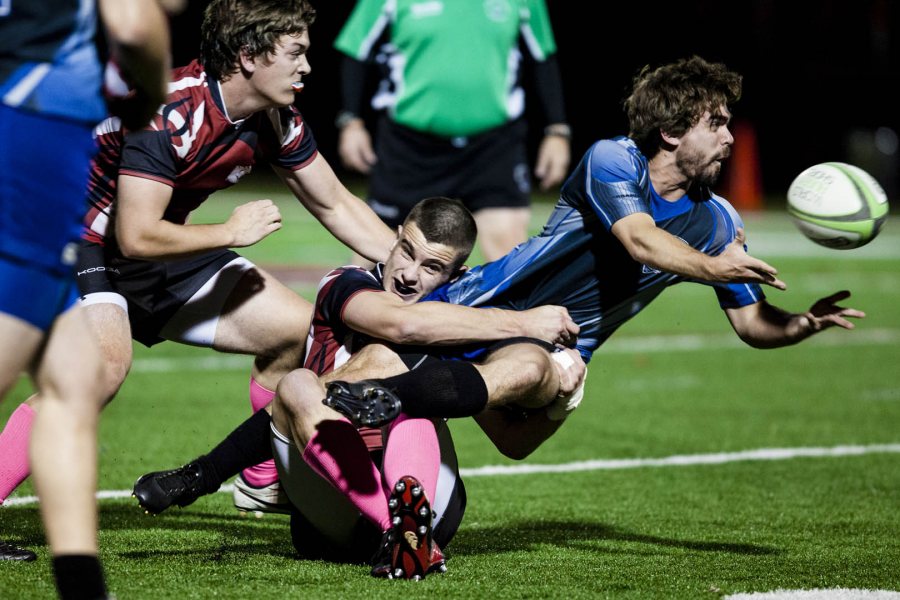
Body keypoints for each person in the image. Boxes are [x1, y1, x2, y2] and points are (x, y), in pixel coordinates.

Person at [324, 55, 864, 442]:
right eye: (716, 124)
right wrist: (710, 268)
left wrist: (800, 325)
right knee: (361, 375)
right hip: (484, 303)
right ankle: (283, 440)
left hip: (563, 346)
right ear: (672, 132)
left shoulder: (719, 221)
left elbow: (752, 325)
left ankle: (399, 406)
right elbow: (638, 238)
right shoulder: (613, 160)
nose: (729, 138)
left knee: (517, 439)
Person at [0, 0, 399, 521]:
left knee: (300, 331)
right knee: (101, 370)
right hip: (76, 238)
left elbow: (335, 203)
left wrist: (407, 264)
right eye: (296, 52)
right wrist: (231, 231)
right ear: (250, 54)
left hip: (144, 248)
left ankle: (262, 479)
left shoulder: (274, 118)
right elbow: (137, 233)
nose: (307, 67)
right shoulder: (169, 110)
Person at [132, 197, 582, 579]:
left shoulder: (454, 324)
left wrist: (563, 399)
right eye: (407, 251)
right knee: (305, 382)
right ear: (397, 235)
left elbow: (511, 441)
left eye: (432, 267)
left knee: (416, 389)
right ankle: (400, 531)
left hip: (431, 501)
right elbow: (399, 325)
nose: (409, 274)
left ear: (455, 275)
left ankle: (409, 530)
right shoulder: (347, 283)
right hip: (334, 507)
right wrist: (523, 322)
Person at [0, 0, 170, 597]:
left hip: (26, 124)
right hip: (28, 134)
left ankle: (81, 583)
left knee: (76, 381)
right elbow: (133, 22)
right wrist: (155, 87)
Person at [334, 0, 571, 261]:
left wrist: (557, 131)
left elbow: (543, 58)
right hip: (410, 146)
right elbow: (356, 50)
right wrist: (351, 122)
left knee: (509, 263)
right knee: (379, 255)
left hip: (493, 146)